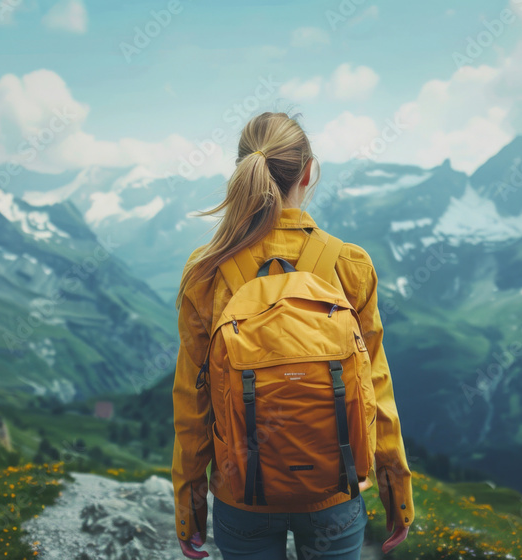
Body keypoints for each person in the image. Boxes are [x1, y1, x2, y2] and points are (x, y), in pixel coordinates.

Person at [171, 111, 413, 560]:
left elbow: (193, 400)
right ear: (307, 171)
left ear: (243, 170)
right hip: (335, 491)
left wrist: (189, 506)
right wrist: (396, 488)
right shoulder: (350, 264)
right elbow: (375, 385)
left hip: (241, 493)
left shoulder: (205, 271)